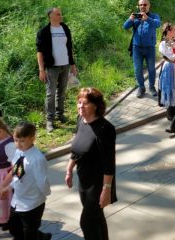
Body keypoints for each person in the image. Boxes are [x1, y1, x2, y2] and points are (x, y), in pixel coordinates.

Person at [66, 88, 116, 240]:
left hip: (98, 184)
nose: (81, 106)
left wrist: (106, 190)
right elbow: (77, 148)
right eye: (79, 102)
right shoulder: (80, 120)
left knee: (86, 222)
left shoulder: (105, 129)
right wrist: (69, 170)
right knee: (96, 218)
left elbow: (109, 163)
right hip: (84, 180)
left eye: (85, 103)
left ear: (95, 105)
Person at [2, 122, 51, 240]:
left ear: (32, 138)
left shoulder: (37, 159)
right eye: (16, 140)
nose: (18, 144)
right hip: (17, 199)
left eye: (22, 141)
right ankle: (42, 237)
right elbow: (15, 170)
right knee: (14, 228)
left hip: (32, 203)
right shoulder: (18, 152)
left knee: (29, 232)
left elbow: (42, 181)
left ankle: (39, 237)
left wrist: (43, 195)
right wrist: (6, 186)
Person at [36, 7, 77, 132]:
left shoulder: (65, 28)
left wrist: (73, 65)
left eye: (61, 14)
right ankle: (50, 120)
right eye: (58, 14)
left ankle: (60, 115)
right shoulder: (44, 31)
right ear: (51, 16)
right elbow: (39, 52)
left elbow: (69, 47)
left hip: (65, 65)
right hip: (51, 67)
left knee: (62, 91)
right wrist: (41, 70)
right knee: (51, 93)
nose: (61, 16)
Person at [124, 0, 161, 98]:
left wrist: (147, 19)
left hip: (149, 48)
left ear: (149, 6)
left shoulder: (154, 16)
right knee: (137, 69)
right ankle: (141, 87)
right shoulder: (135, 17)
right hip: (137, 48)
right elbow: (125, 26)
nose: (143, 7)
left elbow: (158, 24)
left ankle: (152, 87)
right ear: (138, 6)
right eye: (141, 5)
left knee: (151, 69)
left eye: (145, 5)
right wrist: (130, 19)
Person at [158, 23, 175, 120]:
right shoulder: (164, 43)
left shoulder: (174, 41)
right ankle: (170, 113)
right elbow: (172, 56)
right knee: (170, 88)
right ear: (168, 31)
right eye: (174, 30)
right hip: (169, 68)